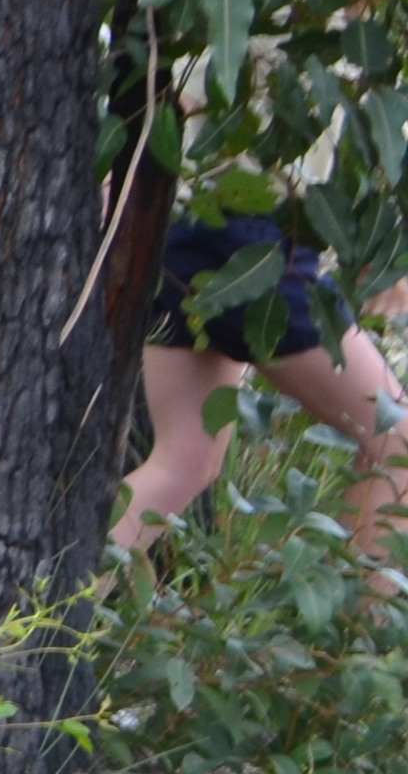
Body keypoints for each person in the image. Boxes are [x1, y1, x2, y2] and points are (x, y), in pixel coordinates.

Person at [112, 208, 403, 576]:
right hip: (255, 243)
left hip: (181, 228)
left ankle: (60, 596)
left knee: (184, 462)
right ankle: (363, 611)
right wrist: (381, 246)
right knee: (397, 443)